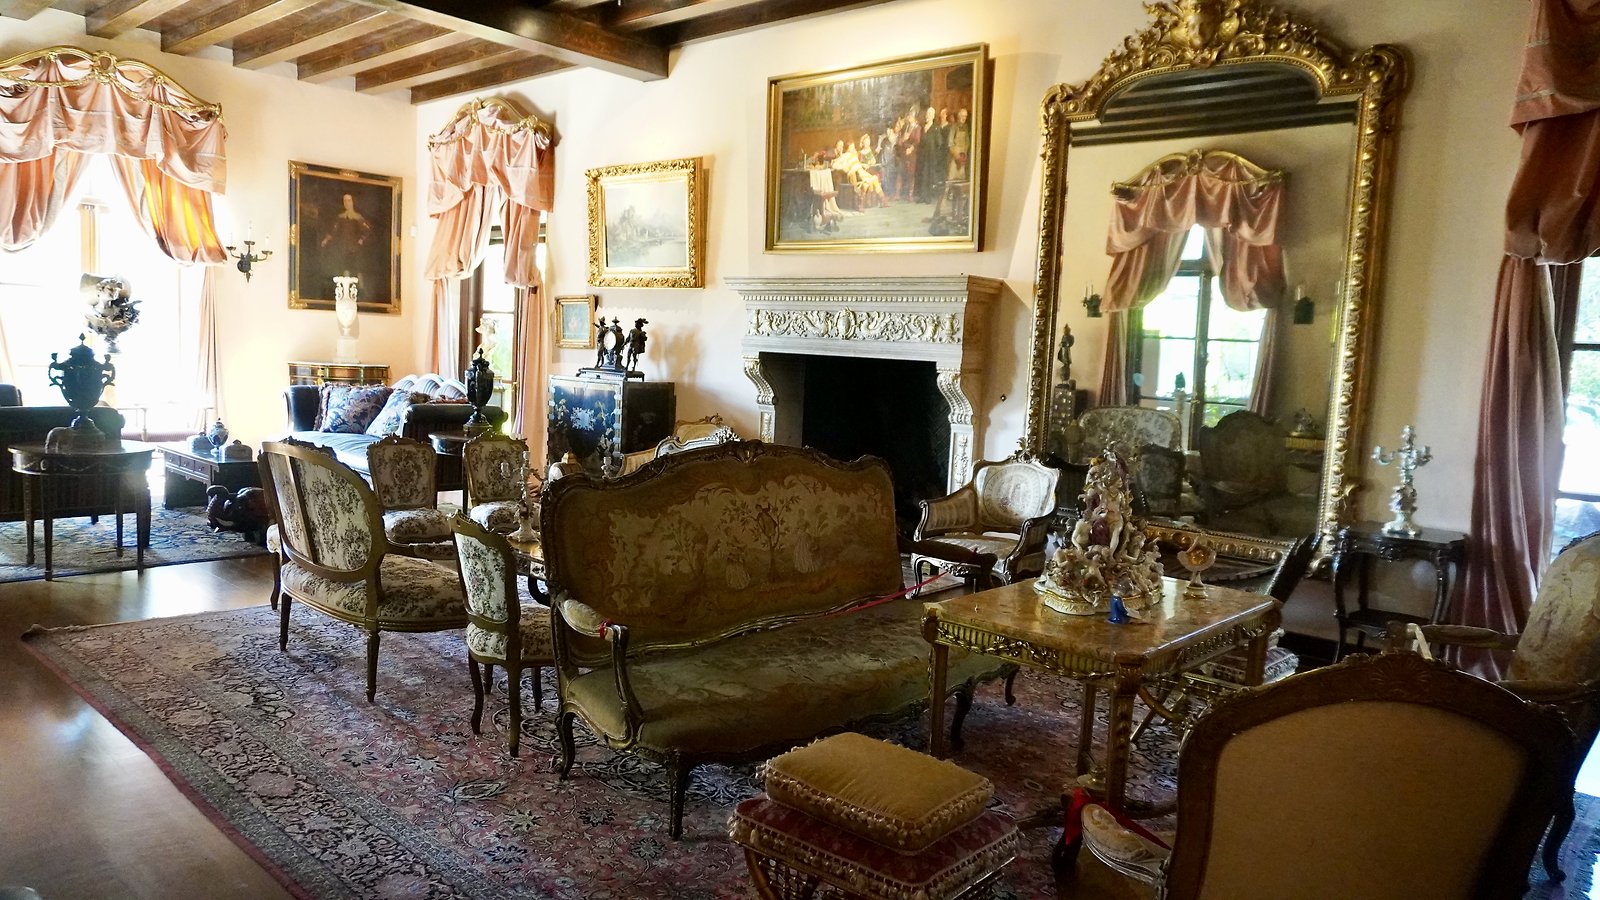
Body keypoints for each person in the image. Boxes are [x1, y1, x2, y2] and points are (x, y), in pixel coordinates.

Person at [915, 107, 948, 203]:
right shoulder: (923, 128)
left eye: (929, 114)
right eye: (927, 114)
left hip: (931, 156)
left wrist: (936, 154)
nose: (927, 116)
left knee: (929, 175)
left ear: (933, 116)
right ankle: (922, 196)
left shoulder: (936, 128)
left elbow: (939, 143)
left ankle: (928, 197)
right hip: (923, 156)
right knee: (923, 175)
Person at [947, 108, 972, 181]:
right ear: (959, 116)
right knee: (952, 176)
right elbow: (950, 142)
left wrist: (965, 153)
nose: (964, 118)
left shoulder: (966, 127)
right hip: (955, 155)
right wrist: (955, 154)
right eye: (963, 116)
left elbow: (967, 141)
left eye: (965, 116)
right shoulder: (954, 127)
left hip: (963, 155)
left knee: (961, 177)